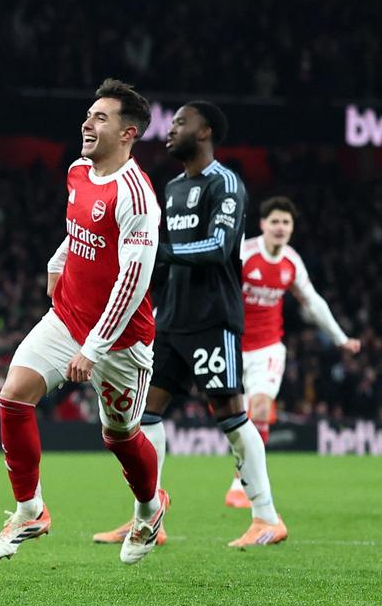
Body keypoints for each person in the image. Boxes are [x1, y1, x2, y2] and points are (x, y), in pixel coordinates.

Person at [0, 79, 165, 565]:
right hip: (66, 318)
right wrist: (58, 260)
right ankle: (30, 511)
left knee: (119, 435)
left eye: (100, 118)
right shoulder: (78, 170)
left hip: (121, 340)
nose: (87, 123)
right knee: (13, 396)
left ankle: (150, 510)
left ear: (127, 133)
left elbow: (134, 280)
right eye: (88, 114)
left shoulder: (137, 198)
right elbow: (78, 229)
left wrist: (94, 347)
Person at [93, 101, 287, 548]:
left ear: (204, 132)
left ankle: (266, 518)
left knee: (231, 414)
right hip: (172, 319)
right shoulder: (175, 187)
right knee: (144, 414)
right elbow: (166, 256)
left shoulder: (226, 184)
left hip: (212, 318)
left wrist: (161, 251)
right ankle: (149, 517)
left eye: (180, 122)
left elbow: (219, 247)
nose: (170, 128)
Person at [226, 196, 361, 506]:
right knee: (235, 418)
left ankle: (241, 482)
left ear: (292, 228)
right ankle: (244, 473)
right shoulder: (244, 253)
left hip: (268, 348)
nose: (280, 227)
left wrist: (340, 338)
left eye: (286, 222)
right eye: (275, 221)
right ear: (263, 225)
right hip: (232, 345)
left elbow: (313, 302)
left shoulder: (291, 262)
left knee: (260, 409)